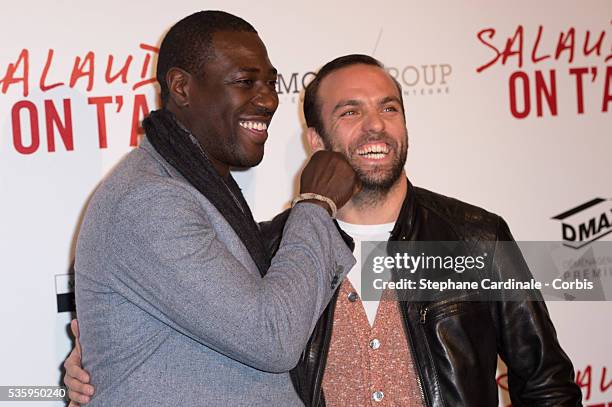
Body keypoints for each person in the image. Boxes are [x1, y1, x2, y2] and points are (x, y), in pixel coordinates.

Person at [65, 53, 583, 406]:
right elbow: (208, 344)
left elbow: (545, 381)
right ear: (315, 139)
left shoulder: (475, 238)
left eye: (389, 108)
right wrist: (96, 357)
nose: (375, 125)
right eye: (350, 112)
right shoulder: (268, 251)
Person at [68, 11, 359, 406]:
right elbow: (272, 337)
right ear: (182, 88)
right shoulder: (151, 201)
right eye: (245, 82)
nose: (269, 98)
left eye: (271, 82)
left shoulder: (198, 190)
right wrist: (314, 205)